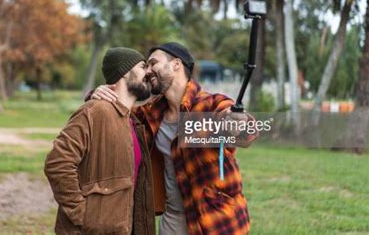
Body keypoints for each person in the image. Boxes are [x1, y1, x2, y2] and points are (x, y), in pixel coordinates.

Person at [91, 42, 258, 235]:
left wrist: (238, 122)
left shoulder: (211, 104)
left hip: (216, 221)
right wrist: (97, 95)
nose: (148, 71)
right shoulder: (152, 112)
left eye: (153, 63)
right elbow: (116, 113)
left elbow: (245, 131)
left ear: (176, 64)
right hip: (173, 218)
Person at [45, 47, 155, 235]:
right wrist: (83, 216)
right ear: (124, 72)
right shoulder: (94, 111)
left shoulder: (133, 121)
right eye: (143, 66)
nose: (149, 72)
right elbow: (58, 163)